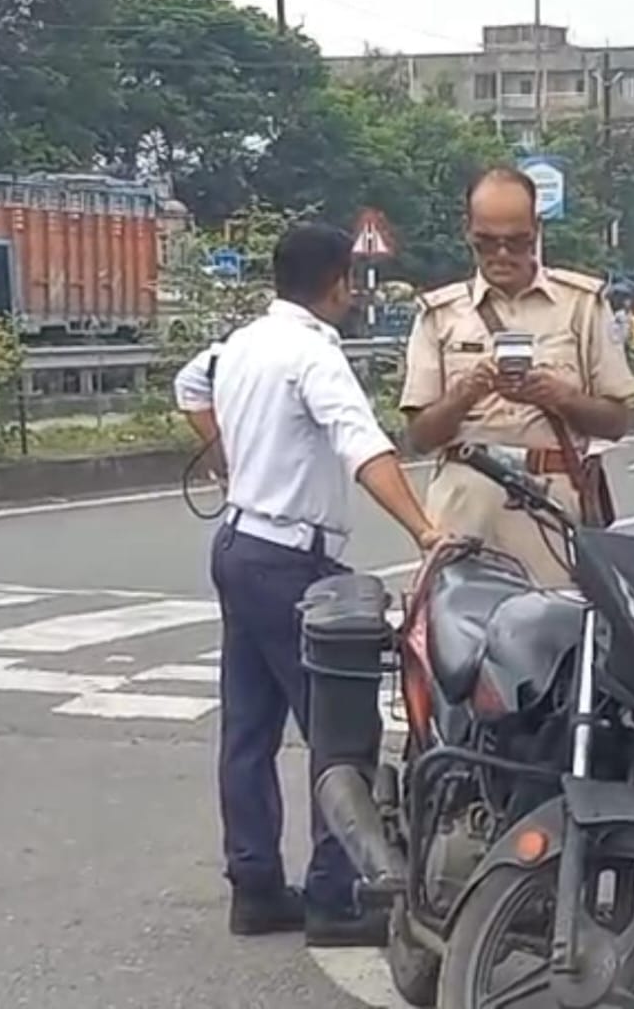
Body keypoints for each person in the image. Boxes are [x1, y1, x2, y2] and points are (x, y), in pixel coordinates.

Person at [174, 223, 443, 948]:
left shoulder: (245, 342)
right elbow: (364, 445)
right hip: (291, 563)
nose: (352, 294)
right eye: (349, 282)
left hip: (237, 543)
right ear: (336, 284)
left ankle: (255, 886)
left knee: (249, 729)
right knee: (340, 732)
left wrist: (230, 459)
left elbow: (187, 385)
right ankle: (335, 897)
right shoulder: (313, 356)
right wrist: (425, 528)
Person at [398, 167, 634, 587]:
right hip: (465, 504)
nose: (502, 255)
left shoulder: (580, 305)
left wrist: (559, 396)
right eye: (486, 242)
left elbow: (616, 422)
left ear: (536, 232)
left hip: (550, 504)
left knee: (557, 636)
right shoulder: (441, 314)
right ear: (467, 233)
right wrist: (467, 392)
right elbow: (418, 437)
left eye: (517, 241)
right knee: (458, 638)